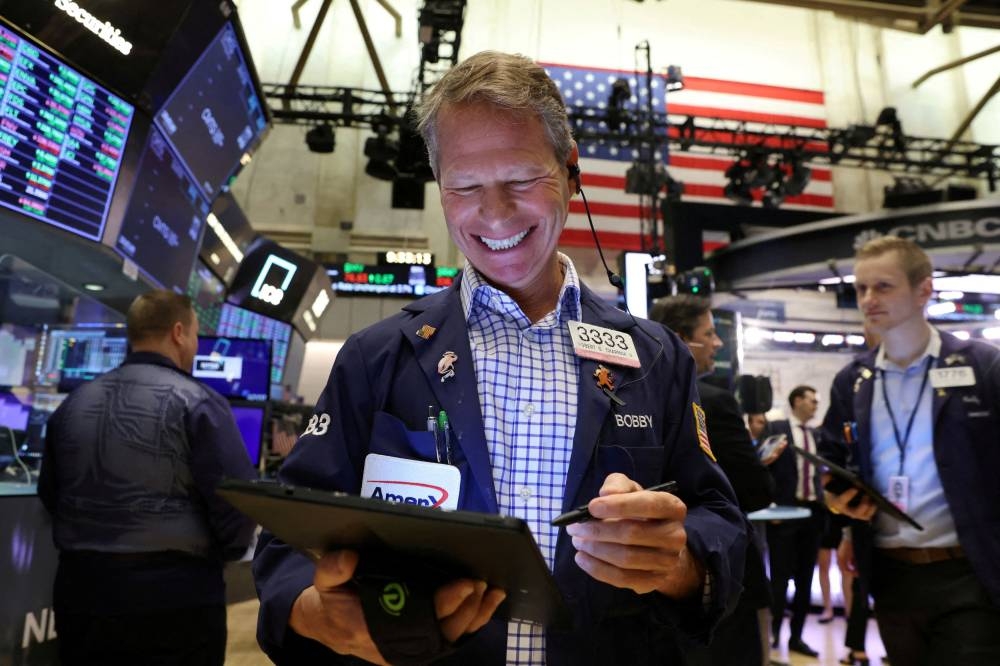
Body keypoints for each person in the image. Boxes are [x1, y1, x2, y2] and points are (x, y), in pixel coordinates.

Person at [253, 50, 748, 665]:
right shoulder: (375, 358)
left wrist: (678, 561)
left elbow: (720, 522)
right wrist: (314, 612)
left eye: (519, 180)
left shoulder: (656, 358)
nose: (494, 213)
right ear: (441, 189)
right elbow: (290, 531)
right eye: (465, 187)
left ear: (571, 172)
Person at [37, 290, 258, 666]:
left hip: (81, 592)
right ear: (178, 332)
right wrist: (222, 556)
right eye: (194, 335)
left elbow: (50, 494)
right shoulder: (199, 402)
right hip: (175, 597)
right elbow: (237, 502)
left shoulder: (74, 403)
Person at [820, 236, 1000, 666]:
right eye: (861, 288)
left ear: (924, 290)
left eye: (883, 286)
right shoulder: (853, 380)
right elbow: (834, 462)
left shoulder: (981, 366)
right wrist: (840, 503)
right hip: (889, 572)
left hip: (969, 571)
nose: (868, 299)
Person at [649, 295, 778, 666]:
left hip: (649, 588)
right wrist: (759, 466)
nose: (718, 344)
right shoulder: (714, 402)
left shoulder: (624, 396)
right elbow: (753, 492)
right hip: (719, 577)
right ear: (680, 338)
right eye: (709, 334)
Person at [765, 385, 825, 658]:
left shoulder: (817, 434)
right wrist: (771, 507)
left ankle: (797, 637)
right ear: (797, 400)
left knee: (805, 579)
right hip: (784, 514)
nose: (816, 405)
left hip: (812, 514)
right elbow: (763, 467)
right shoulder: (777, 427)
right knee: (779, 579)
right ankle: (774, 633)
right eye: (812, 400)